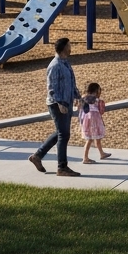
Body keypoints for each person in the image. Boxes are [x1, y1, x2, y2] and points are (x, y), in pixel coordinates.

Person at [29, 37, 81, 176]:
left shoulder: (65, 63)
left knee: (61, 133)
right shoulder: (55, 65)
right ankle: (62, 167)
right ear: (64, 48)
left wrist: (78, 97)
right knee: (64, 135)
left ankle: (38, 156)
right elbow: (51, 88)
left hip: (67, 102)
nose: (71, 48)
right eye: (69, 45)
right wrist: (59, 104)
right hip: (57, 104)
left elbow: (71, 82)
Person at [79, 82, 111, 164]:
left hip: (86, 120)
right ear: (97, 91)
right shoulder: (98, 100)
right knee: (91, 139)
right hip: (95, 120)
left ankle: (102, 153)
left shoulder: (83, 98)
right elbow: (101, 111)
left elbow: (80, 109)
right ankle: (85, 158)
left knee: (92, 138)